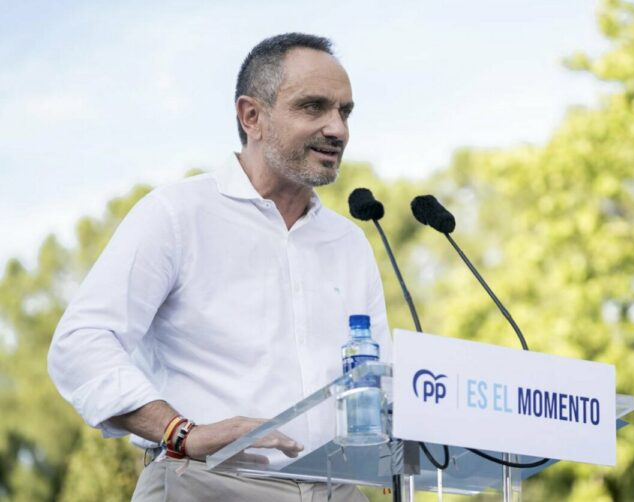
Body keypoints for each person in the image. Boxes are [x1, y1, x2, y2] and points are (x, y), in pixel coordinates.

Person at [48, 33, 392, 501]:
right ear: (252, 116)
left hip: (338, 490)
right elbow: (80, 343)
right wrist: (178, 431)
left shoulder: (350, 242)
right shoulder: (177, 213)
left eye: (345, 112)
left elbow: (382, 380)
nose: (338, 129)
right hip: (209, 482)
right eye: (314, 107)